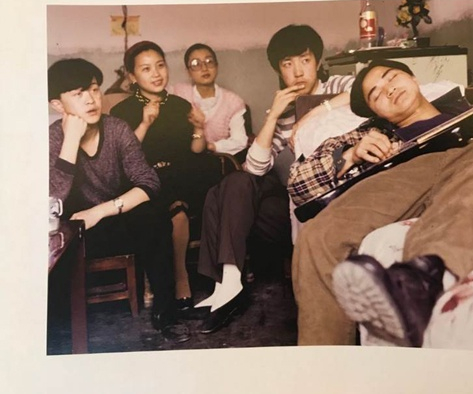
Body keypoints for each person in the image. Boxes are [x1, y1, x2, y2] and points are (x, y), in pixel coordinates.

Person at [288, 59, 473, 346]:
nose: (388, 89)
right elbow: (299, 185)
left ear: (413, 79)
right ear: (375, 113)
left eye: (391, 77)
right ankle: (324, 366)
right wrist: (351, 155)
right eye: (376, 94)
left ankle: (419, 281)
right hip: (413, 169)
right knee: (318, 235)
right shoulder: (366, 135)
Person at [195, 24, 355, 334]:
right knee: (234, 183)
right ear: (279, 70)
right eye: (287, 64)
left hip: (334, 196)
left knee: (227, 189)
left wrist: (314, 111)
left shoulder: (339, 84)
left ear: (317, 61)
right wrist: (272, 117)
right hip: (294, 207)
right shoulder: (282, 110)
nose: (298, 71)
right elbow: (255, 168)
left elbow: (364, 91)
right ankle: (228, 283)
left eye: (305, 60)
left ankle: (226, 287)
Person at [48, 58, 191, 342]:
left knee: (153, 218)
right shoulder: (52, 138)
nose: (91, 100)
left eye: (94, 89)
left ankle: (166, 314)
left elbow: (149, 182)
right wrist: (70, 142)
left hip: (111, 220)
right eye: (78, 94)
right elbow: (53, 200)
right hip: (72, 233)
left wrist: (100, 211)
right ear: (58, 105)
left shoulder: (117, 129)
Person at [111, 41, 210, 317]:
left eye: (160, 65)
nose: (156, 74)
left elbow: (196, 150)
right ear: (132, 77)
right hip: (144, 180)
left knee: (182, 204)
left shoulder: (180, 105)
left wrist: (199, 128)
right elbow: (122, 160)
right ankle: (176, 281)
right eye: (146, 69)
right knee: (173, 213)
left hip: (181, 176)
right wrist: (145, 123)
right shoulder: (122, 112)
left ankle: (178, 279)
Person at [173, 43, 249, 159]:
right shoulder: (179, 93)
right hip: (183, 160)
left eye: (209, 61)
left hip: (218, 161)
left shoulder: (233, 101)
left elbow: (240, 141)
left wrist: (211, 146)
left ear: (217, 66)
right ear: (188, 72)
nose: (204, 68)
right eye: (196, 64)